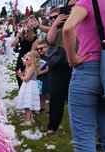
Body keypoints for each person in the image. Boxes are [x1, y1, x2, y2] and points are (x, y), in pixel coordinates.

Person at [49, 0, 105, 152]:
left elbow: (67, 28)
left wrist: (72, 58)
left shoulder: (87, 2)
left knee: (84, 134)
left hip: (87, 69)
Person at [45, 3, 76, 136]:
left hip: (76, 62)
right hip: (59, 63)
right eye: (50, 18)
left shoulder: (76, 22)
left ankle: (81, 127)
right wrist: (55, 24)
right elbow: (49, 40)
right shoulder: (56, 27)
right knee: (56, 96)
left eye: (55, 17)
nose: (52, 19)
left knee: (76, 98)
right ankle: (52, 126)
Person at [16, 51, 41, 125]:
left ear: (33, 59)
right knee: (28, 102)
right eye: (25, 59)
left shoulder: (32, 67)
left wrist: (20, 76)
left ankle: (27, 121)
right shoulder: (29, 66)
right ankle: (31, 119)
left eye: (27, 59)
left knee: (28, 105)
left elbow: (26, 79)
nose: (25, 61)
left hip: (29, 86)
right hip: (28, 85)